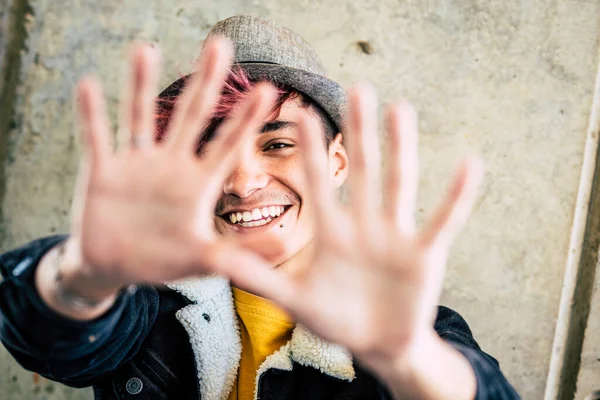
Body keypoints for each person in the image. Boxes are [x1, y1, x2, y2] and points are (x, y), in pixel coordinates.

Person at [0, 15, 520, 400]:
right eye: (213, 150)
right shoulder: (147, 306)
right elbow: (55, 337)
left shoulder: (407, 326)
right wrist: (82, 280)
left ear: (336, 161)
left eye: (277, 145)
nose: (243, 183)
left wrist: (408, 360)